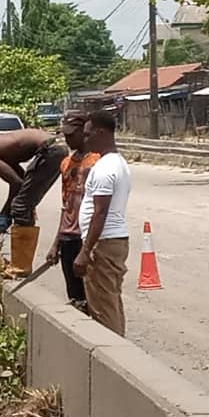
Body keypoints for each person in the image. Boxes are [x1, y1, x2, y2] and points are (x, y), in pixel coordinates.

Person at [0, 128, 68, 275]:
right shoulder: (0, 152)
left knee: (20, 207)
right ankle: (21, 263)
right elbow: (21, 182)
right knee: (23, 204)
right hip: (56, 148)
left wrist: (5, 212)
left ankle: (21, 266)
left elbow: (16, 184)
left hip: (50, 150)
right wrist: (9, 211)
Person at [73, 110, 131, 337]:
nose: (85, 140)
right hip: (111, 241)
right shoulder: (117, 163)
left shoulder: (106, 168)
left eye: (88, 135)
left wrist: (86, 251)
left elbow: (100, 212)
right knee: (111, 300)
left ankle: (114, 360)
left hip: (103, 243)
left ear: (101, 132)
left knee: (102, 308)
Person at [45, 111, 99, 311]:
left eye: (71, 134)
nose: (67, 139)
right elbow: (65, 204)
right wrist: (55, 244)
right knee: (75, 296)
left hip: (87, 235)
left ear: (83, 131)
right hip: (68, 236)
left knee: (93, 293)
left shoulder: (96, 161)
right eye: (65, 134)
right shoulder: (66, 164)